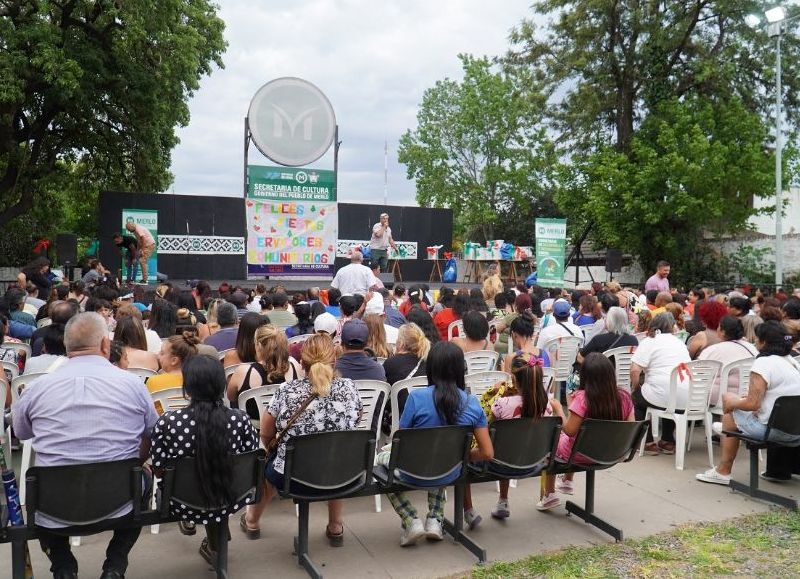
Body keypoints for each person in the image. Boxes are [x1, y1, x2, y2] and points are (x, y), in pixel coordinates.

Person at [12, 312, 158, 578]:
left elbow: (21, 433)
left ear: (67, 346)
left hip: (52, 503)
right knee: (143, 475)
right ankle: (115, 564)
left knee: (41, 486)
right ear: (105, 344)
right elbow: (153, 432)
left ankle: (63, 565)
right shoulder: (133, 386)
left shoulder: (36, 388)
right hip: (120, 499)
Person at [241, 334, 362, 546]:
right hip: (342, 474)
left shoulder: (286, 391)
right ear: (334, 362)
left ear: (302, 364)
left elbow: (266, 433)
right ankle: (335, 525)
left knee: (269, 463)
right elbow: (357, 420)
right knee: (334, 455)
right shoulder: (350, 388)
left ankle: (252, 521)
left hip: (292, 477)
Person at [150, 355, 259, 567]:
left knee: (198, 482)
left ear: (187, 387)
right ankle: (216, 534)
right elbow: (250, 458)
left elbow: (159, 469)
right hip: (231, 495)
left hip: (181, 500)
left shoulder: (168, 423)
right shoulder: (240, 419)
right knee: (212, 477)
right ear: (221, 385)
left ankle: (211, 534)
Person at [386, 342, 494, 546]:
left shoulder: (416, 398)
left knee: (382, 465)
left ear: (431, 369)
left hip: (413, 471)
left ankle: (411, 520)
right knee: (440, 457)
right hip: (450, 471)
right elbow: (488, 452)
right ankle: (435, 519)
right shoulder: (472, 403)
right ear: (461, 369)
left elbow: (401, 442)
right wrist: (463, 455)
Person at [697, 321, 800, 485]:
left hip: (772, 431)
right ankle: (726, 429)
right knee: (737, 403)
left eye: (757, 339)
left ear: (764, 342)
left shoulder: (763, 363)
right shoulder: (792, 362)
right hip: (795, 432)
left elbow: (753, 404)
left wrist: (733, 400)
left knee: (729, 405)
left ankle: (723, 470)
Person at [539, 353, 634, 509]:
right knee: (579, 439)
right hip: (611, 453)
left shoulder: (583, 398)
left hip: (580, 454)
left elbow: (569, 430)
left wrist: (559, 411)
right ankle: (567, 481)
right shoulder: (625, 397)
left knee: (554, 438)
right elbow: (629, 429)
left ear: (586, 376)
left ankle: (549, 494)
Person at [479, 353, 564, 520]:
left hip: (500, 465)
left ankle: (501, 500)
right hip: (534, 462)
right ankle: (502, 501)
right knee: (512, 446)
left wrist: (497, 394)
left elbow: (488, 429)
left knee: (502, 448)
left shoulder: (502, 404)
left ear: (515, 381)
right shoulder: (546, 405)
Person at [630, 313, 691, 455]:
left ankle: (647, 442)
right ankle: (668, 441)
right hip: (688, 396)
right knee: (669, 394)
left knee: (637, 398)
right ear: (672, 326)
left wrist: (636, 387)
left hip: (663, 395)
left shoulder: (650, 341)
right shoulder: (679, 342)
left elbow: (634, 370)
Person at [227, 325, 301, 416]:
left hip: (253, 427)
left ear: (258, 345)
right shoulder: (294, 366)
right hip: (286, 425)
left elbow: (230, 397)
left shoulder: (243, 371)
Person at [697, 316, 758, 404]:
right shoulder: (752, 347)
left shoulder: (714, 350)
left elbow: (697, 374)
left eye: (719, 327)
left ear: (723, 332)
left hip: (718, 398)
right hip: (746, 395)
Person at [125, 219, 156, 284]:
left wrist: (142, 249)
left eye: (129, 230)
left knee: (143, 261)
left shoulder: (138, 229)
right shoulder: (135, 230)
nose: (129, 231)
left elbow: (143, 239)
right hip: (146, 245)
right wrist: (138, 250)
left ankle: (145, 280)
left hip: (149, 245)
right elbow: (139, 241)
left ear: (131, 227)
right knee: (140, 260)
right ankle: (141, 279)